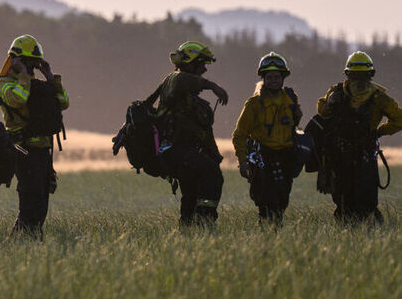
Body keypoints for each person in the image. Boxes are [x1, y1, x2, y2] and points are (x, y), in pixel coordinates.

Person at [0, 34, 69, 238]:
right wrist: (23, 75)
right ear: (15, 61)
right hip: (23, 151)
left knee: (41, 205)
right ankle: (18, 243)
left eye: (33, 64)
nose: (30, 67)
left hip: (43, 151)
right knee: (30, 203)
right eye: (26, 62)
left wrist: (51, 76)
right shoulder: (3, 82)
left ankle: (32, 241)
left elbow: (63, 102)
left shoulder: (38, 85)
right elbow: (17, 100)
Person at [316, 51, 402, 224]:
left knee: (366, 200)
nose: (359, 79)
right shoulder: (336, 93)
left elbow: (399, 119)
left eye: (362, 75)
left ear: (370, 75)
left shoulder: (380, 98)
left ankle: (369, 231)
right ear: (348, 75)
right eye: (355, 75)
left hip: (364, 155)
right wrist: (329, 102)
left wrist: (378, 132)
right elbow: (322, 112)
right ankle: (347, 232)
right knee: (342, 199)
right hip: (340, 155)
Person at [154, 41, 229, 228]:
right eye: (201, 64)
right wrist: (211, 86)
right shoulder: (174, 80)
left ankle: (188, 229)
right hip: (176, 150)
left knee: (192, 190)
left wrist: (215, 155)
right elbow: (183, 80)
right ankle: (204, 223)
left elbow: (203, 132)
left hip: (187, 152)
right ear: (189, 63)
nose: (204, 69)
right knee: (212, 175)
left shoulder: (189, 95)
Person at [231, 53, 302, 227]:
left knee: (282, 201)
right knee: (266, 202)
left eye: (277, 77)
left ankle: (275, 231)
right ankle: (267, 232)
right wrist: (243, 162)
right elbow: (239, 135)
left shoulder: (291, 100)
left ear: (283, 78)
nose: (273, 80)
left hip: (286, 158)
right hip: (263, 158)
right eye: (269, 77)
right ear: (263, 78)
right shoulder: (254, 104)